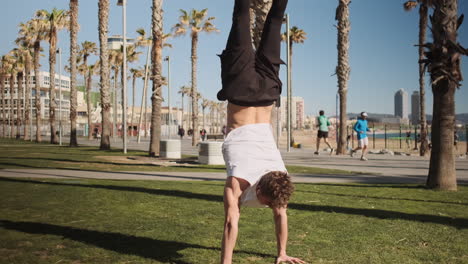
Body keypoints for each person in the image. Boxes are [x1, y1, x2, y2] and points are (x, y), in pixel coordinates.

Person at [217, 0, 304, 263]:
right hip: (241, 91)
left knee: (274, 22)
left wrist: (282, 253)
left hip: (267, 94)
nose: (267, 205)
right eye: (267, 202)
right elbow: (231, 222)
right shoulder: (239, 181)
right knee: (240, 18)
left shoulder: (280, 177)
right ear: (261, 190)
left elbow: (281, 213)